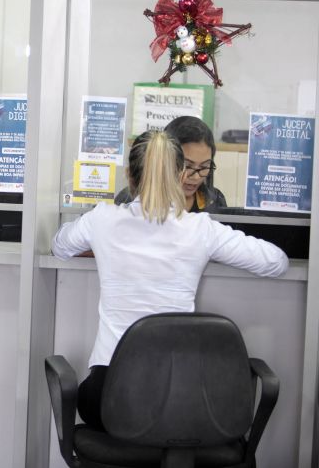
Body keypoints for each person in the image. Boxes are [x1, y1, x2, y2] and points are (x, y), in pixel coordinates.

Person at [52, 131, 288, 431]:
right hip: (178, 399)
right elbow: (276, 262)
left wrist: (100, 242)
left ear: (129, 175)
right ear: (180, 174)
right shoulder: (201, 229)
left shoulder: (102, 219)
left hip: (108, 398)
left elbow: (59, 246)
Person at [115, 116, 227, 212]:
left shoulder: (214, 201)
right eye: (187, 166)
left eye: (204, 167)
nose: (196, 176)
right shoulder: (129, 199)